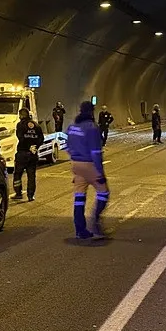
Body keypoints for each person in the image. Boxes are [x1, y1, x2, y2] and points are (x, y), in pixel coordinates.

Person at [66, 101, 109, 240]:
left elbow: (67, 146)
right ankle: (95, 220)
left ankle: (80, 229)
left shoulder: (72, 127)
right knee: (103, 192)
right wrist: (100, 173)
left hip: (76, 164)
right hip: (89, 164)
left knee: (79, 196)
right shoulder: (92, 128)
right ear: (91, 111)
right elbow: (96, 152)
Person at [12, 108, 44, 202]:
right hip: (33, 154)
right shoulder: (36, 125)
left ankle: (18, 193)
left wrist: (27, 146)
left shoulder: (20, 125)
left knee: (18, 174)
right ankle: (31, 195)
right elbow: (41, 138)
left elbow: (20, 138)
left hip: (22, 153)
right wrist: (35, 147)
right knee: (31, 176)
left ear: (21, 115)